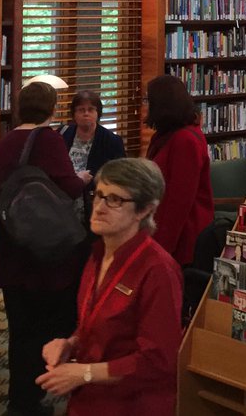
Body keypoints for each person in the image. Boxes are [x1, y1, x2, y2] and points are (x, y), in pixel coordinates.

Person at [37, 158, 183, 414]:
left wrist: (85, 373)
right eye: (99, 195)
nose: (100, 207)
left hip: (132, 404)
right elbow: (98, 325)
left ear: (144, 210)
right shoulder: (97, 254)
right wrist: (70, 344)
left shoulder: (158, 269)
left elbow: (158, 360)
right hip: (89, 399)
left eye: (115, 200)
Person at [0, 80, 86, 416]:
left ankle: (20, 401)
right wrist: (85, 179)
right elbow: (69, 186)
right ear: (52, 109)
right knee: (47, 331)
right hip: (45, 258)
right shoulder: (47, 140)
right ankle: (40, 395)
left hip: (11, 252)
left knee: (19, 334)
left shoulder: (4, 143)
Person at [144, 74, 213, 266]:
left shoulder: (185, 140)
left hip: (183, 237)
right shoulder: (165, 135)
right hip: (163, 229)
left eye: (148, 100)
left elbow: (179, 200)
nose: (146, 106)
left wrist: (161, 247)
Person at [61, 90, 127, 189]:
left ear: (98, 113)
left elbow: (120, 175)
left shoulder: (112, 140)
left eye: (91, 110)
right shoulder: (63, 133)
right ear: (74, 113)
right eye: (81, 110)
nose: (86, 114)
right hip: (64, 194)